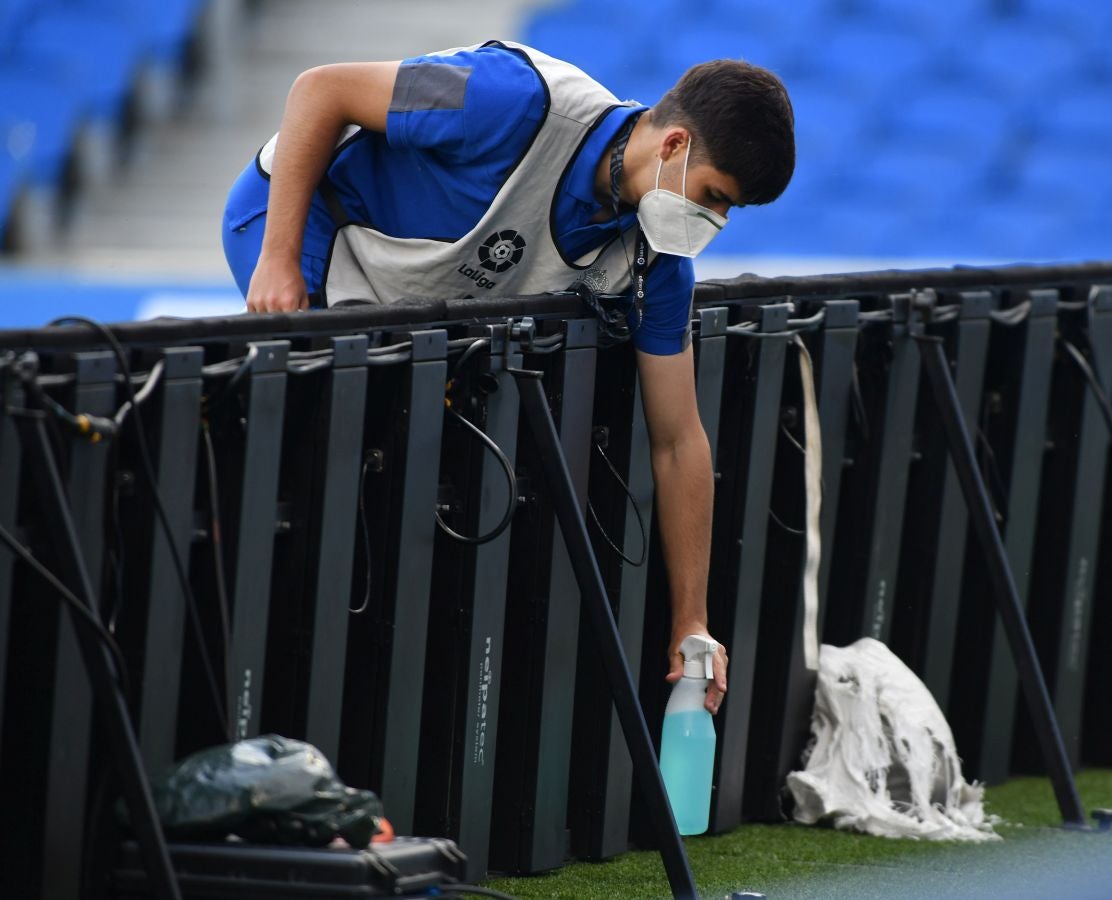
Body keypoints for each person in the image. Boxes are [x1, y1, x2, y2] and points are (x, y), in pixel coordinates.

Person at [221, 39, 796, 716]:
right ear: (673, 146)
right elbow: (320, 89)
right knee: (336, 475)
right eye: (713, 198)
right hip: (310, 227)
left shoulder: (656, 262)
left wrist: (690, 623)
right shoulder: (513, 100)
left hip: (424, 294)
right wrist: (279, 257)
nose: (713, 223)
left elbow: (679, 440)